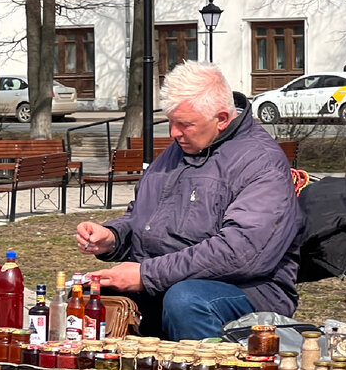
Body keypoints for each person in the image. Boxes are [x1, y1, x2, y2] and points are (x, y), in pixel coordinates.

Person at [76, 61, 304, 339]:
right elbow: (143, 219)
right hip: (166, 277)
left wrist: (146, 275)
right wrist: (113, 237)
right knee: (87, 293)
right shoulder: (179, 150)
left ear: (221, 119)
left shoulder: (260, 162)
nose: (173, 133)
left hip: (247, 288)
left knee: (186, 300)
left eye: (185, 124)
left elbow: (242, 254)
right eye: (170, 121)